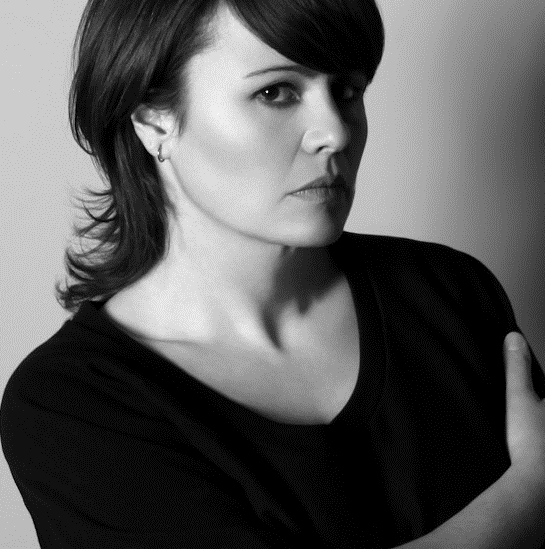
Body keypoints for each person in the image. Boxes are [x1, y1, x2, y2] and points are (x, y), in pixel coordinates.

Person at [1, 0, 545, 547]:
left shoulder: (448, 292)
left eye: (347, 91)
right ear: (153, 118)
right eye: (275, 92)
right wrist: (527, 496)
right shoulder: (72, 406)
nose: (335, 132)